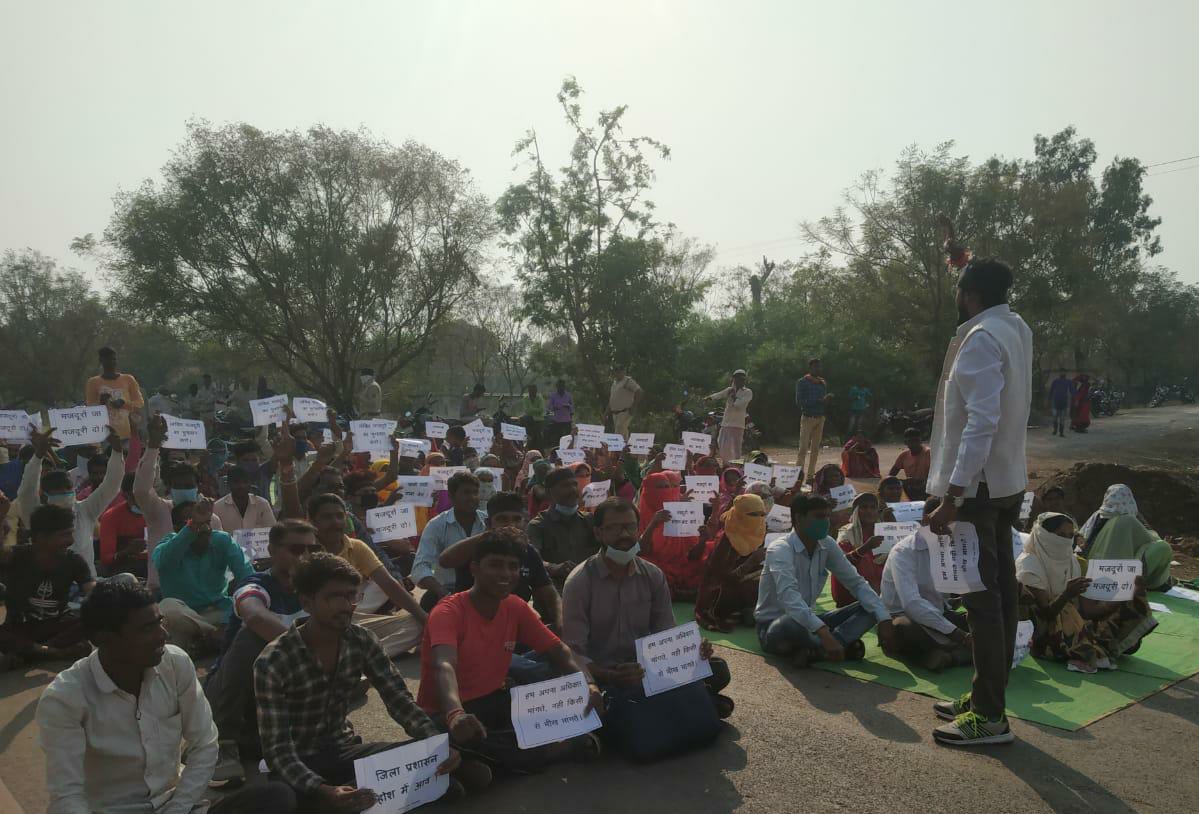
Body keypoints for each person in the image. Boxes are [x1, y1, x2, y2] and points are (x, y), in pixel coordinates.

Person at [38, 580, 297, 813]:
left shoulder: (174, 663)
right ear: (104, 639)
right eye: (147, 628)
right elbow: (67, 797)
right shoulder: (64, 698)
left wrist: (179, 807)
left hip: (176, 806)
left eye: (160, 622)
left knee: (277, 798)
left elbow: (205, 744)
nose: (163, 634)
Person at [255, 553, 468, 809]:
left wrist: (434, 744)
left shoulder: (362, 640)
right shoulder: (273, 661)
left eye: (352, 595)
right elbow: (277, 750)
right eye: (334, 597)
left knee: (443, 781)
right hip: (298, 762)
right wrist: (323, 790)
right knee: (284, 799)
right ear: (307, 602)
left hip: (344, 750)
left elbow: (399, 700)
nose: (347, 605)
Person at [925, 255, 1032, 746]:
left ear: (969, 295)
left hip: (978, 490)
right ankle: (986, 695)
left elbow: (979, 423)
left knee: (982, 602)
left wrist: (953, 494)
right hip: (1006, 483)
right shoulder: (1015, 328)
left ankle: (990, 716)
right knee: (1002, 595)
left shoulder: (979, 340)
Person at [419, 527, 600, 773]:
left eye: (512, 566)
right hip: (447, 712)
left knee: (558, 707)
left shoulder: (515, 607)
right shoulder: (448, 611)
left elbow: (559, 650)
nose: (505, 574)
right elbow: (444, 664)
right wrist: (455, 713)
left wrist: (588, 683)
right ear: (474, 568)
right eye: (495, 565)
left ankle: (478, 762)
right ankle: (552, 750)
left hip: (496, 700)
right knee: (467, 736)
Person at [563, 498, 731, 754]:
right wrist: (609, 676)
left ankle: (649, 713)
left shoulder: (653, 575)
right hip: (603, 677)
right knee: (587, 696)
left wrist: (691, 651)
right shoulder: (580, 582)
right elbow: (573, 653)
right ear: (598, 533)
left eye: (630, 527)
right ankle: (692, 706)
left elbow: (666, 632)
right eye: (614, 528)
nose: (625, 535)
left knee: (717, 668)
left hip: (648, 671)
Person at [204, 520, 323, 784]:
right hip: (234, 697)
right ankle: (223, 744)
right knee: (251, 635)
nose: (305, 557)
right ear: (271, 549)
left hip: (279, 702)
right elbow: (255, 615)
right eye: (295, 549)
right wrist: (311, 656)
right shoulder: (256, 584)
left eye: (312, 550)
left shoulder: (317, 589)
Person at [755, 495, 893, 668]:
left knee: (873, 604)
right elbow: (789, 598)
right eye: (819, 516)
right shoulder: (780, 549)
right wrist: (823, 633)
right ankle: (832, 646)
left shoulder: (826, 544)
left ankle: (820, 650)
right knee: (790, 622)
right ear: (798, 518)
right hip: (775, 627)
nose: (826, 522)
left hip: (812, 622)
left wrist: (884, 618)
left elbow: (856, 583)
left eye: (828, 516)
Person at [1017, 513, 1156, 674]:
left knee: (1129, 596)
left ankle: (1094, 647)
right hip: (1039, 633)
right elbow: (1045, 613)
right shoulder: (1029, 563)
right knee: (1066, 609)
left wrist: (1121, 596)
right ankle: (1088, 649)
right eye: (1060, 535)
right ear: (1044, 535)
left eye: (1070, 536)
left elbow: (1087, 611)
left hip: (1071, 623)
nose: (1065, 541)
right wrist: (1066, 595)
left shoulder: (1072, 562)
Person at [307, 492, 428, 655]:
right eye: (327, 517)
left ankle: (362, 656)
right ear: (313, 522)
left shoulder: (356, 546)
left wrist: (426, 619)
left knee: (417, 625)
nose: (335, 522)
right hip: (321, 621)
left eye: (339, 516)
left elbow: (389, 584)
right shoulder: (306, 549)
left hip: (354, 619)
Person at [439, 491, 561, 631]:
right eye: (502, 519)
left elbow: (549, 592)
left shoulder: (529, 551)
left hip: (514, 626)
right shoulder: (476, 547)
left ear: (524, 522)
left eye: (516, 519)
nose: (510, 525)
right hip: (473, 625)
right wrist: (492, 535)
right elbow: (445, 560)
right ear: (488, 523)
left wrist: (561, 621)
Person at [17, 426, 125, 579]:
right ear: (44, 493)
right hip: (48, 587)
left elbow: (112, 484)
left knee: (127, 578)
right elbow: (26, 491)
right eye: (56, 489)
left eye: (67, 488)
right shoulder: (36, 516)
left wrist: (116, 451)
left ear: (73, 489)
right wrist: (38, 455)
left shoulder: (85, 510)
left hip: (86, 587)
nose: (63, 492)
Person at [879, 497, 973, 672]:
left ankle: (951, 655)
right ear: (926, 520)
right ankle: (953, 654)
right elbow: (912, 604)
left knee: (984, 622)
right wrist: (959, 636)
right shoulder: (904, 552)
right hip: (903, 616)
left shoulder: (952, 546)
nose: (951, 529)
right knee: (903, 627)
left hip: (939, 613)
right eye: (947, 523)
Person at [152, 498, 253, 653]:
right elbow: (164, 563)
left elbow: (248, 579)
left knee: (251, 610)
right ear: (177, 528)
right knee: (168, 608)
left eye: (207, 522)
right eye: (195, 523)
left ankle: (208, 641)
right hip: (183, 616)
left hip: (219, 612)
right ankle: (214, 637)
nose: (204, 528)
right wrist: (191, 528)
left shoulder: (222, 540)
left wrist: (228, 621)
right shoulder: (167, 546)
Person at [0, 504, 94, 668]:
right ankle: (56, 652)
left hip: (57, 627)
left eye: (71, 534)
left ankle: (33, 653)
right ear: (41, 537)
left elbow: (93, 592)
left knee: (91, 619)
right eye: (65, 535)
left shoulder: (74, 561)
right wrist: (1, 517)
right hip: (19, 628)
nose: (71, 541)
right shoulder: (16, 556)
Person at [137, 415, 226, 589]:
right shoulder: (158, 510)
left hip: (202, 592)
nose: (184, 489)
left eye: (188, 485)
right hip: (161, 590)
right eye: (178, 486)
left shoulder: (213, 519)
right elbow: (140, 489)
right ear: (169, 488)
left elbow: (220, 556)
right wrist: (153, 446)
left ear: (197, 486)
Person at [413, 471, 488, 611]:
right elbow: (420, 567)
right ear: (451, 497)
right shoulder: (436, 525)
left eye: (475, 492)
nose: (472, 497)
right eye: (466, 492)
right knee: (429, 603)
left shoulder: (488, 521)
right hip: (449, 590)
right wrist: (443, 593)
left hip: (486, 589)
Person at [695, 493, 768, 632]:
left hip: (744, 576)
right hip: (720, 590)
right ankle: (740, 612)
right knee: (752, 585)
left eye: (761, 514)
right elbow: (721, 579)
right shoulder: (726, 540)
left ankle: (751, 610)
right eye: (753, 514)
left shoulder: (759, 529)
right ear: (740, 515)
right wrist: (750, 563)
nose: (758, 519)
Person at [636, 470, 709, 599]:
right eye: (660, 487)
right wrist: (653, 524)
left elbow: (692, 556)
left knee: (708, 563)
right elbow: (641, 551)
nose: (665, 490)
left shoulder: (680, 514)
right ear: (648, 491)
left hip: (682, 565)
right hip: (657, 565)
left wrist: (702, 540)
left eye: (667, 486)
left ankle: (678, 593)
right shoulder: (637, 516)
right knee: (644, 568)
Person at [526, 466, 599, 585]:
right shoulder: (538, 525)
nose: (573, 490)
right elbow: (533, 559)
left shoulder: (590, 520)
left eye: (574, 484)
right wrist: (554, 568)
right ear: (550, 493)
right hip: (555, 589)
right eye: (565, 486)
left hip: (589, 587)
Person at [830, 493, 886, 607]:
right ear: (856, 511)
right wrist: (865, 548)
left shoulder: (884, 530)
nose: (869, 511)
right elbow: (841, 564)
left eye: (873, 507)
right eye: (864, 507)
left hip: (882, 589)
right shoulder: (846, 533)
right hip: (852, 593)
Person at [85, 346, 145, 446]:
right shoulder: (93, 382)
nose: (112, 362)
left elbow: (140, 403)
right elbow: (89, 408)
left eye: (114, 359)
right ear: (101, 361)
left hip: (127, 434)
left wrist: (123, 403)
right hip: (105, 435)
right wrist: (101, 403)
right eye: (108, 359)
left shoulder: (128, 379)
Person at [98, 473, 148, 579]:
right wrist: (128, 551)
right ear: (125, 495)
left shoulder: (160, 511)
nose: (143, 500)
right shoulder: (111, 517)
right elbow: (106, 558)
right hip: (124, 569)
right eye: (137, 496)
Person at [706, 369, 754, 464]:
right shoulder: (729, 390)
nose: (740, 381)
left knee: (736, 448)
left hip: (737, 424)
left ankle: (736, 467)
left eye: (742, 379)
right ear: (734, 379)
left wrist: (733, 396)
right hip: (726, 423)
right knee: (722, 444)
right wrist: (710, 397)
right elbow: (719, 394)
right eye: (737, 379)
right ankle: (726, 464)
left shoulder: (747, 392)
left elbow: (739, 405)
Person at [795, 358, 830, 480]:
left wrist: (826, 401)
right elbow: (799, 401)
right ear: (810, 368)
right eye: (815, 366)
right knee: (803, 448)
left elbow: (824, 401)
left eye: (819, 366)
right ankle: (798, 475)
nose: (818, 369)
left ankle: (810, 476)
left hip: (820, 417)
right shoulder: (803, 382)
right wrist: (818, 401)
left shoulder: (822, 383)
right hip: (808, 417)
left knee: (815, 449)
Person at [213, 464, 277, 532]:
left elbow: (273, 532)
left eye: (245, 482)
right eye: (236, 482)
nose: (241, 486)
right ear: (228, 483)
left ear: (250, 483)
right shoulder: (217, 507)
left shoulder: (262, 504)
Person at [889, 428, 931, 500]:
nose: (914, 443)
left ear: (921, 440)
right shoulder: (903, 455)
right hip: (910, 488)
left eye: (916, 440)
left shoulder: (929, 453)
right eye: (911, 441)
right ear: (905, 442)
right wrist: (903, 482)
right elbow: (890, 476)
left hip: (927, 489)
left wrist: (919, 481)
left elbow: (935, 475)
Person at [605, 364, 643, 439]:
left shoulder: (628, 381)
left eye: (620, 371)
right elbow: (612, 399)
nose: (618, 373)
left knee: (619, 431)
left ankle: (617, 449)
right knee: (622, 432)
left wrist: (634, 406)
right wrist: (605, 413)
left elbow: (639, 391)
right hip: (615, 413)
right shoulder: (614, 383)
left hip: (625, 411)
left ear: (623, 372)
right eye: (616, 371)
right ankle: (625, 448)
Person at [1048, 372, 1075, 437]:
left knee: (1057, 418)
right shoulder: (1065, 381)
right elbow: (1072, 392)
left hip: (1059, 402)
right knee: (1060, 418)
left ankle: (1058, 431)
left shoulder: (1057, 381)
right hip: (1060, 402)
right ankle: (1059, 431)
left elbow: (1051, 391)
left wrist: (1049, 399)